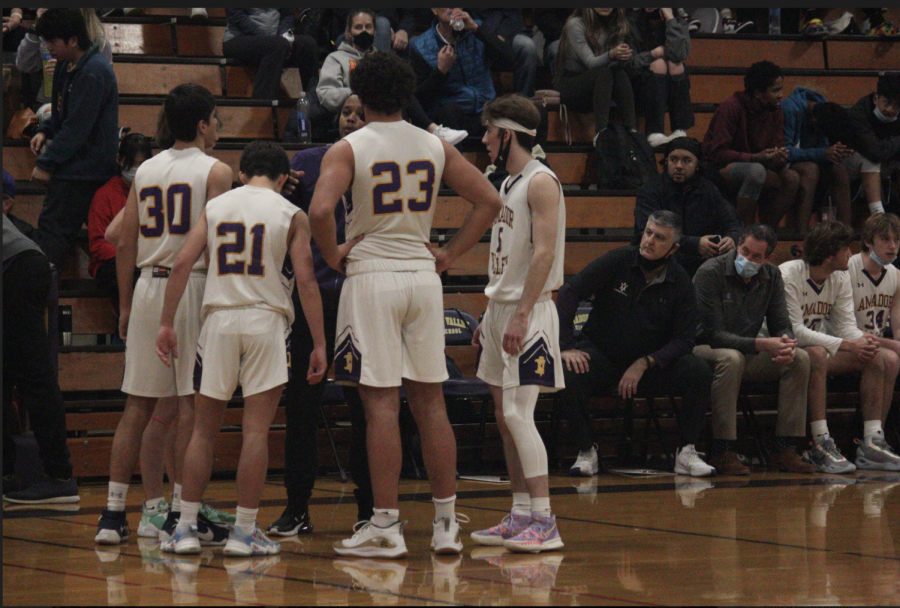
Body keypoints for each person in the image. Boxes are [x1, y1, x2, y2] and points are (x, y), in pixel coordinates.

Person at [309, 51, 501, 558]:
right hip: (421, 275)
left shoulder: (348, 146)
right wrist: (450, 253)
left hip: (372, 273)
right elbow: (490, 202)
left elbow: (321, 209)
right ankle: (444, 523)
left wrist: (332, 254)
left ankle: (386, 525)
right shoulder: (434, 144)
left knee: (379, 406)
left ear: (362, 92)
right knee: (430, 402)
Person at [156, 140, 327, 556]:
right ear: (284, 178)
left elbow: (181, 264)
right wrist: (319, 343)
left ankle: (185, 528)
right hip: (266, 321)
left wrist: (165, 322)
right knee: (256, 432)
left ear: (242, 174)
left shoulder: (217, 207)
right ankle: (244, 533)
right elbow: (306, 281)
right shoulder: (292, 214)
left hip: (219, 319)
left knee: (202, 430)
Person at [94, 84, 234, 546]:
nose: (219, 127)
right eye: (216, 119)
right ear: (201, 124)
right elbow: (210, 242)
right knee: (189, 407)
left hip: (146, 286)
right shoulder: (217, 170)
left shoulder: (146, 169)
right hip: (189, 285)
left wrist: (128, 303)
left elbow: (123, 241)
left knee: (137, 407)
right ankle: (179, 512)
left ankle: (113, 514)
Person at [268, 94, 374, 537]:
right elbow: (277, 212)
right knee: (301, 407)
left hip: (364, 297)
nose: (352, 118)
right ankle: (297, 508)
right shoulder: (309, 161)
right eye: (347, 111)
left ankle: (370, 510)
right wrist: (281, 188)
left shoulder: (384, 159)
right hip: (310, 301)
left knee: (367, 407)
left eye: (361, 112)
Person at [468, 95, 566, 553]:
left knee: (516, 413)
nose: (484, 139)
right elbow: (508, 256)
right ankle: (521, 511)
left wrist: (522, 314)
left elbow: (544, 253)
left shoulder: (542, 182)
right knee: (504, 419)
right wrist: (492, 313)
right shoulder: (508, 182)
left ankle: (545, 521)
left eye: (490, 131)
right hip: (501, 308)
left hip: (531, 310)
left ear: (507, 133)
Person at [557, 211, 716, 478]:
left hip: (649, 366)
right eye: (648, 233)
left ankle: (687, 450)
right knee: (569, 371)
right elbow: (570, 291)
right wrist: (565, 345)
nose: (649, 241)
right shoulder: (618, 260)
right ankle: (586, 451)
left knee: (697, 369)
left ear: (674, 248)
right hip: (603, 357)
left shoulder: (681, 281)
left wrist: (645, 362)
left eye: (659, 237)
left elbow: (685, 340)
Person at [778, 221, 900, 474]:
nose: (851, 254)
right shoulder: (788, 274)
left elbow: (845, 326)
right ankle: (820, 442)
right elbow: (795, 332)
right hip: (778, 349)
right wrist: (848, 344)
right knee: (817, 353)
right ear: (830, 254)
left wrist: (862, 342)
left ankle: (872, 441)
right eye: (846, 249)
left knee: (878, 356)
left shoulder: (839, 276)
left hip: (816, 348)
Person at [693, 224, 814, 475]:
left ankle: (785, 448)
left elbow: (781, 323)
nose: (746, 259)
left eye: (756, 256)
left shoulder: (771, 276)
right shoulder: (710, 272)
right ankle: (722, 449)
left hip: (745, 351)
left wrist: (786, 344)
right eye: (744, 250)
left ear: (768, 258)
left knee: (800, 358)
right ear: (738, 245)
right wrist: (761, 344)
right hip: (701, 351)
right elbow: (714, 335)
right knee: (731, 358)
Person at [2, 192, 80, 504]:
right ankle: (7, 472)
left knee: (34, 377)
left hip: (17, 270)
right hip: (19, 267)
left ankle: (59, 476)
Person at [29, 7, 119, 271]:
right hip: (78, 167)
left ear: (73, 40)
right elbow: (62, 114)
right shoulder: (67, 65)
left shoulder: (93, 72)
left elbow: (77, 130)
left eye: (52, 41)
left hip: (87, 171)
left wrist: (46, 163)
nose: (48, 47)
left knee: (52, 231)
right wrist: (45, 129)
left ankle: (44, 292)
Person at [316, 9, 466, 146]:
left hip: (383, 112)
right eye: (358, 27)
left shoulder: (383, 60)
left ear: (375, 31)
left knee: (403, 91)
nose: (364, 32)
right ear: (349, 33)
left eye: (368, 27)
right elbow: (326, 94)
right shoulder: (336, 58)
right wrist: (358, 92)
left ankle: (425, 137)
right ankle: (432, 130)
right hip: (351, 113)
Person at [702, 60, 800, 229]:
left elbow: (777, 144)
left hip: (758, 164)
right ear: (758, 93)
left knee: (792, 178)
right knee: (756, 172)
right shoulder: (731, 107)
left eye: (781, 89)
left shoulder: (775, 110)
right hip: (719, 168)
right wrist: (755, 157)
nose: (781, 95)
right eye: (775, 90)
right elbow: (716, 153)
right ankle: (742, 231)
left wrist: (778, 157)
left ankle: (765, 231)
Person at [632, 137, 742, 277]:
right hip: (656, 262)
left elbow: (732, 223)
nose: (678, 165)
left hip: (699, 266)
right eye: (673, 159)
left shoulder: (709, 190)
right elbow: (647, 232)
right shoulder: (650, 190)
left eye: (686, 161)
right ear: (666, 161)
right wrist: (695, 244)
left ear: (697, 165)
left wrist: (731, 238)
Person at [846, 213, 900, 470]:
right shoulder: (848, 268)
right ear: (868, 241)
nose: (892, 246)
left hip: (873, 345)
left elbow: (897, 326)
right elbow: (845, 328)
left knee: (891, 358)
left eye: (897, 240)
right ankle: (871, 440)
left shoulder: (895, 276)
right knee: (887, 356)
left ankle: (877, 439)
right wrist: (892, 344)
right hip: (844, 343)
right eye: (885, 239)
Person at [410, 8, 516, 135]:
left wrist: (477, 29)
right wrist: (440, 71)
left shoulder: (477, 29)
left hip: (486, 110)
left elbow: (510, 61)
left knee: (525, 109)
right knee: (450, 112)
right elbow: (420, 98)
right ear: (434, 10)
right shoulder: (421, 46)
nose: (451, 8)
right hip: (452, 115)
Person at [555, 8, 644, 141]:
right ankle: (601, 133)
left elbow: (617, 65)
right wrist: (612, 54)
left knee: (617, 72)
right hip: (573, 85)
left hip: (603, 86)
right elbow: (590, 62)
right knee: (604, 72)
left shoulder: (617, 24)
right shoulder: (575, 24)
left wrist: (624, 57)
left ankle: (631, 130)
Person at [88, 132, 153, 305]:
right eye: (133, 163)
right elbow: (98, 245)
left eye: (142, 163)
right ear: (119, 160)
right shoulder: (104, 195)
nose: (137, 169)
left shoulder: (154, 193)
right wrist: (132, 254)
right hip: (113, 264)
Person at [781, 89, 854, 234]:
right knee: (810, 170)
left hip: (810, 158)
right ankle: (801, 235)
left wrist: (837, 152)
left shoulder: (824, 110)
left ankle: (846, 235)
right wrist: (823, 152)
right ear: (813, 122)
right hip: (784, 162)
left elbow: (823, 146)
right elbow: (785, 152)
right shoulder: (789, 109)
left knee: (839, 170)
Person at [221, 8, 320, 100]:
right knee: (277, 45)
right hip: (238, 39)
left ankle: (312, 101)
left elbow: (288, 15)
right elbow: (235, 15)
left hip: (275, 41)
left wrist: (284, 34)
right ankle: (261, 106)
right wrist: (264, 37)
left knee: (308, 45)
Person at [630, 7, 694, 148]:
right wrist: (653, 55)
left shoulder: (677, 21)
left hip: (668, 84)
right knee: (659, 64)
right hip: (638, 83)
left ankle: (680, 130)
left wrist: (670, 19)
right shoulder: (632, 21)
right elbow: (630, 62)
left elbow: (680, 54)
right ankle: (654, 132)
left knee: (676, 65)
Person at [848, 73, 900, 217]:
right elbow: (875, 152)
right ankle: (878, 217)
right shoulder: (858, 114)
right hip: (852, 164)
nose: (890, 109)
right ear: (876, 98)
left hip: (888, 163)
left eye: (897, 105)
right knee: (870, 160)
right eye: (886, 102)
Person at [475, 9, 539, 98]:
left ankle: (525, 100)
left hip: (507, 29)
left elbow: (513, 15)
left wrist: (501, 35)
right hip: (475, 26)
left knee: (527, 46)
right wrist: (490, 35)